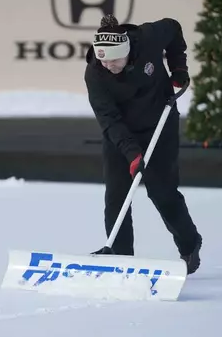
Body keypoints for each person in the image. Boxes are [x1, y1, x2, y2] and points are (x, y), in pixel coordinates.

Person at [84, 14, 202, 274]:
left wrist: (178, 68)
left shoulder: (147, 38)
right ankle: (121, 257)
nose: (109, 66)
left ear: (127, 51)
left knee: (162, 192)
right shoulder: (95, 73)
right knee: (117, 196)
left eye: (114, 60)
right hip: (121, 132)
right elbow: (109, 120)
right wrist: (132, 154)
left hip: (159, 123)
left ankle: (189, 244)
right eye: (104, 60)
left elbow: (173, 28)